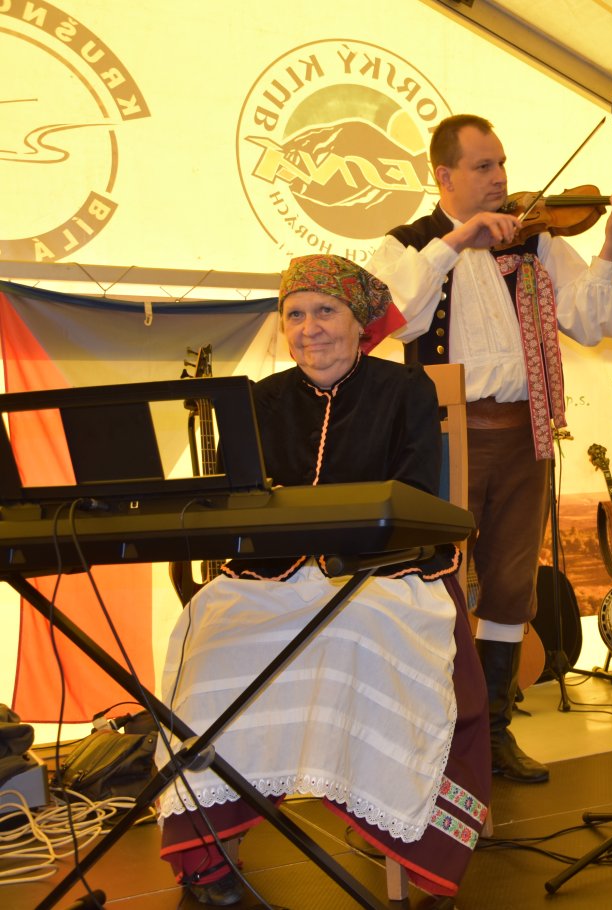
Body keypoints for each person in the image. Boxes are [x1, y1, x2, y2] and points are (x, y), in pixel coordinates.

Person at [156, 255, 489, 905]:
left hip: (384, 568)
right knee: (211, 633)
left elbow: (416, 496)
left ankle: (400, 828)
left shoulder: (406, 389)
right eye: (295, 315)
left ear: (359, 322)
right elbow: (241, 502)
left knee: (357, 633)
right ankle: (209, 856)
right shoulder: (260, 399)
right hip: (274, 572)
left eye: (325, 311)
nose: (309, 328)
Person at [368, 115, 612, 784]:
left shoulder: (535, 239)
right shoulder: (408, 243)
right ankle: (435, 734)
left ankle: (493, 730)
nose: (500, 178)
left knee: (511, 584)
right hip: (441, 433)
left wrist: (611, 241)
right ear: (444, 175)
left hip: (526, 429)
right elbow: (391, 315)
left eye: (502, 164)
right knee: (434, 580)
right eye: (483, 167)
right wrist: (455, 241)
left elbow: (592, 320)